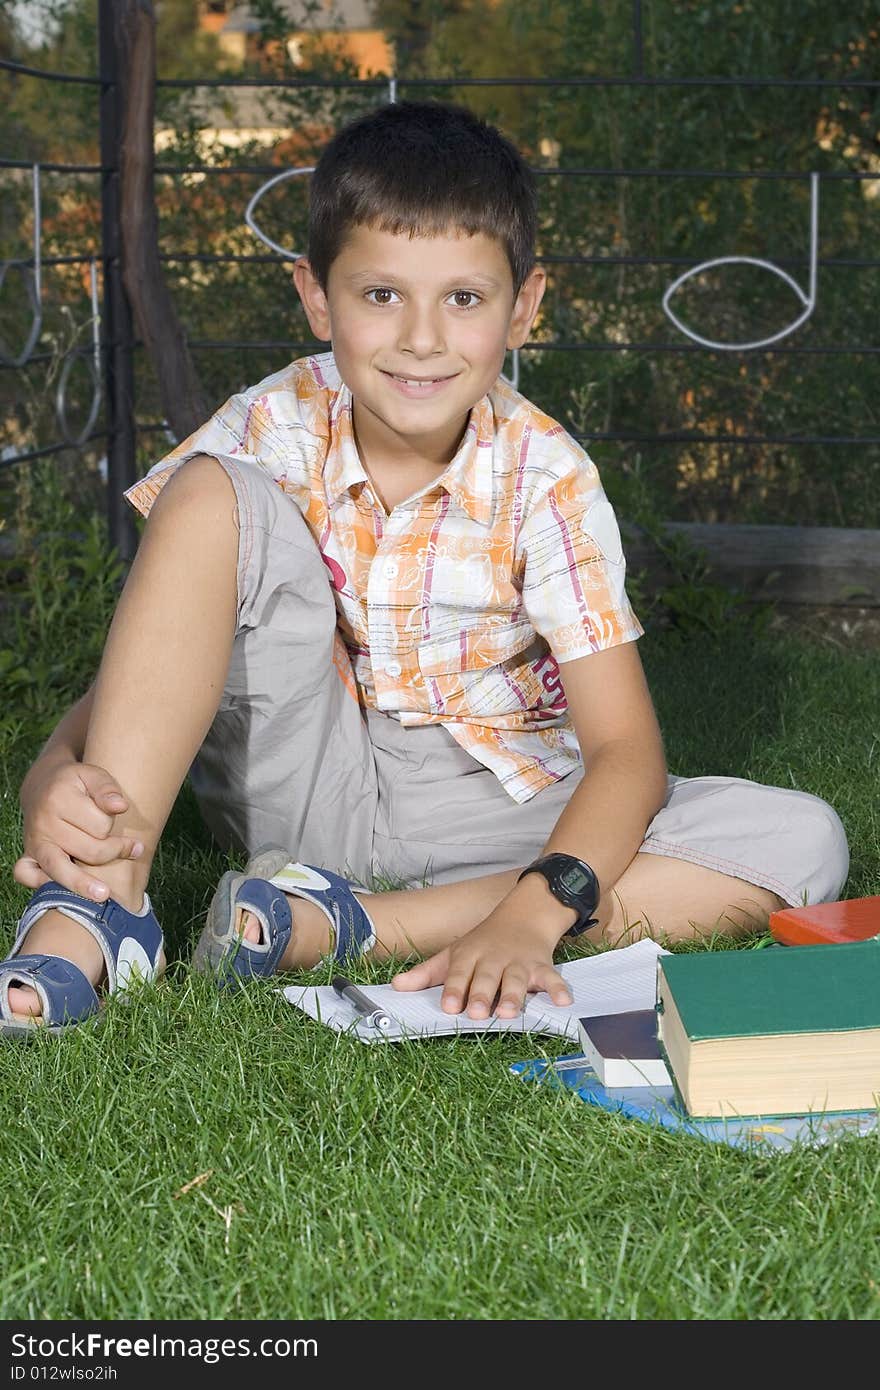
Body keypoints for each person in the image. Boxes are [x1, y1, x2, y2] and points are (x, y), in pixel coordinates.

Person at [1, 100, 849, 1037]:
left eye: (464, 298)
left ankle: (338, 925)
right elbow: (163, 646)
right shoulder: (271, 422)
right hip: (307, 772)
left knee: (798, 837)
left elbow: (627, 752)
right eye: (380, 295)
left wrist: (532, 914)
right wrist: (54, 773)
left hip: (495, 810)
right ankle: (102, 903)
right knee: (208, 492)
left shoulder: (548, 477)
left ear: (522, 308)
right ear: (318, 298)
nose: (420, 337)